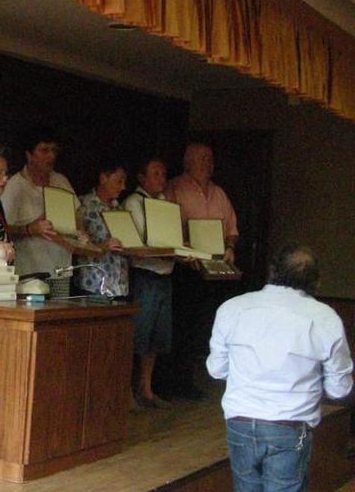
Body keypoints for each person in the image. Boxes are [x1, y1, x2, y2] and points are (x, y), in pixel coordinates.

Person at [207, 244, 353, 491]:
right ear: (315, 281)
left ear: (272, 270)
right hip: (290, 425)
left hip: (239, 420)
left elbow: (216, 370)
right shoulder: (325, 318)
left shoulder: (232, 308)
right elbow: (339, 389)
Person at [162, 142, 239, 401]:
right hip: (185, 268)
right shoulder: (174, 187)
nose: (209, 163)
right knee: (179, 327)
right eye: (203, 158)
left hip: (213, 269)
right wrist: (184, 251)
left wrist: (229, 248)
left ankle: (188, 383)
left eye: (211, 158)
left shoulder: (219, 193)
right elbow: (166, 229)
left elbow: (232, 230)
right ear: (188, 163)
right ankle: (169, 383)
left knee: (200, 327)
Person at [122, 158, 174, 409]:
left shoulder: (164, 202)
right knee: (139, 335)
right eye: (155, 173)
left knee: (156, 338)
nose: (161, 178)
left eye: (163, 173)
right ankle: (128, 391)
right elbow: (142, 240)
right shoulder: (134, 202)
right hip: (145, 273)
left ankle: (147, 388)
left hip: (165, 273)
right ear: (141, 177)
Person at [0, 127, 79, 275]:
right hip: (30, 271)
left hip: (61, 268)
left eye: (54, 150)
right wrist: (30, 229)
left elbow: (77, 214)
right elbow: (2, 230)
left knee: (62, 299)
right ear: (29, 155)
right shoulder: (15, 185)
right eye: (44, 150)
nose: (51, 156)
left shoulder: (61, 181)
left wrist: (81, 232)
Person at [74, 160, 126, 298]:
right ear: (103, 178)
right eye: (119, 181)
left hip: (119, 284)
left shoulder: (120, 209)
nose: (123, 187)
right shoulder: (83, 205)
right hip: (94, 283)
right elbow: (77, 244)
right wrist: (104, 246)